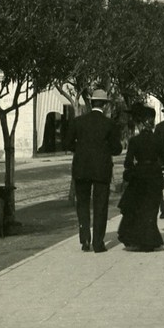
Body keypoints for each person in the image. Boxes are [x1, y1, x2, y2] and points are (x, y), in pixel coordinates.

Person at [65, 89, 122, 253]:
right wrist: (103, 151)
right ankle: (98, 243)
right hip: (102, 169)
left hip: (81, 168)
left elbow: (68, 143)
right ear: (104, 105)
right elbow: (117, 149)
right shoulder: (110, 124)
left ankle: (85, 240)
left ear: (90, 103)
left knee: (82, 204)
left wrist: (82, 150)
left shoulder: (78, 122)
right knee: (100, 205)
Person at [117, 106, 164, 252]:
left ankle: (138, 239)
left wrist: (132, 169)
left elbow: (128, 162)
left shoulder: (134, 141)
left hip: (139, 177)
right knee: (151, 209)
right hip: (154, 176)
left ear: (141, 124)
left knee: (138, 208)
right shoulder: (158, 140)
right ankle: (150, 240)